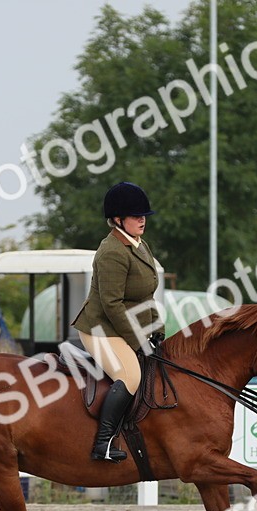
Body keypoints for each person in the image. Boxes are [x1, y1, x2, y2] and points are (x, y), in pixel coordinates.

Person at [71, 181, 161, 462]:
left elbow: (146, 294)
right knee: (130, 375)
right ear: (118, 220)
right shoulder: (112, 251)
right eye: (136, 216)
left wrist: (156, 329)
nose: (142, 220)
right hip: (101, 329)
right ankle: (103, 443)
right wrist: (138, 340)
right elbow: (111, 305)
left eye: (143, 215)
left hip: (123, 326)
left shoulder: (139, 245)